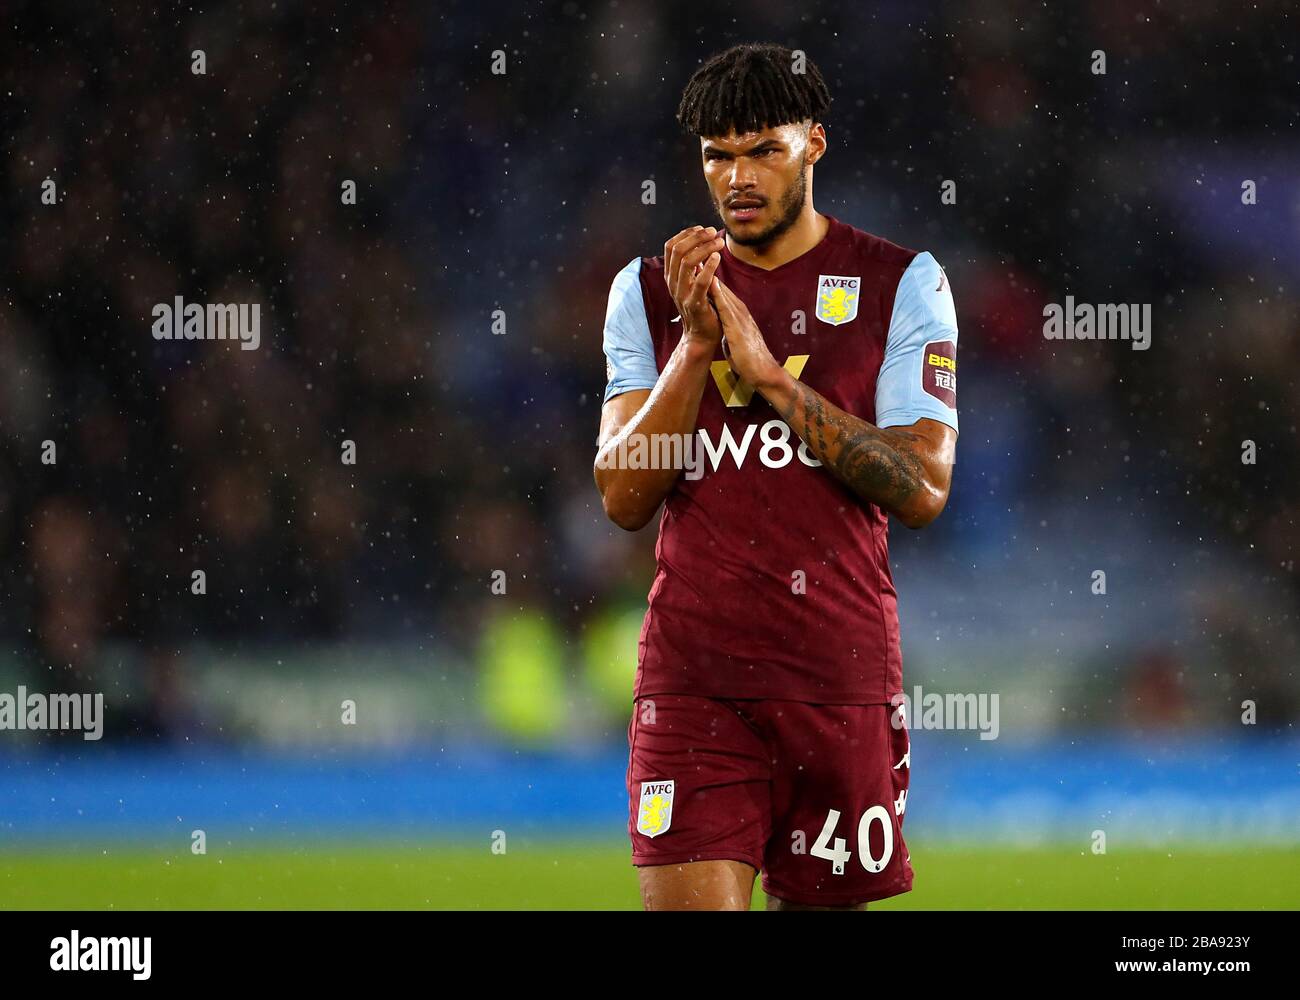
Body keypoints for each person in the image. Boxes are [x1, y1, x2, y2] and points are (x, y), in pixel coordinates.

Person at [594, 42, 959, 911]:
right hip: (694, 680)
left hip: (837, 676)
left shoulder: (902, 283)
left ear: (815, 145)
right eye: (718, 155)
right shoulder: (647, 292)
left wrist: (771, 381)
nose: (738, 177)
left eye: (764, 149)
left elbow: (921, 489)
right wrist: (694, 350)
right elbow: (623, 496)